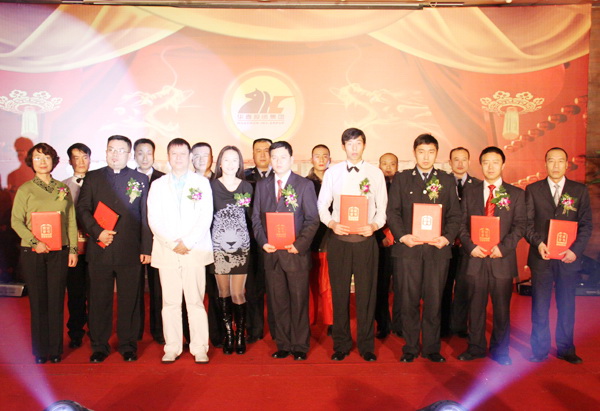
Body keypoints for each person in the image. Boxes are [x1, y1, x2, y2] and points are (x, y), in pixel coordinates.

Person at [76, 135, 152, 363]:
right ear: (106, 152)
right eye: (111, 150)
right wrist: (97, 231)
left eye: (120, 150)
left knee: (130, 300)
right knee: (99, 300)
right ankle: (99, 345)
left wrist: (146, 248)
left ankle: (128, 345)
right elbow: (82, 209)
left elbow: (146, 216)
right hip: (100, 248)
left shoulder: (140, 179)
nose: (115, 154)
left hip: (130, 250)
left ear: (129, 154)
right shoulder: (93, 178)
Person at [387, 134, 460, 363]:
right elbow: (393, 212)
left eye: (430, 152)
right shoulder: (402, 179)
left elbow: (455, 215)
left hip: (437, 251)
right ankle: (410, 347)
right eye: (421, 152)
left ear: (436, 154)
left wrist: (446, 238)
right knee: (407, 301)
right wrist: (402, 236)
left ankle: (431, 348)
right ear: (414, 153)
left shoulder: (446, 180)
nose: (426, 157)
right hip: (408, 251)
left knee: (434, 301)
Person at [318, 128, 387, 362]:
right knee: (339, 294)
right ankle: (341, 344)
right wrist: (332, 223)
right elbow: (322, 205)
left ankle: (367, 345)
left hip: (366, 242)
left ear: (364, 145)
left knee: (367, 294)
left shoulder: (375, 173)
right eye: (349, 144)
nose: (354, 148)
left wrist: (374, 226)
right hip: (339, 242)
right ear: (343, 146)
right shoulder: (332, 173)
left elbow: (382, 209)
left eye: (358, 143)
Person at [457, 146, 526, 366]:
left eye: (495, 162)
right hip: (475, 259)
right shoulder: (470, 192)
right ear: (480, 165)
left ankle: (500, 351)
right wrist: (470, 246)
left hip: (501, 260)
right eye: (486, 162)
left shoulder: (516, 194)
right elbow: (460, 224)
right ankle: (475, 347)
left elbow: (520, 226)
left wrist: (503, 248)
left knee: (502, 309)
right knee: (475, 307)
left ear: (503, 164)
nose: (490, 167)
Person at [147, 138, 213, 363]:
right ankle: (172, 346)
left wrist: (189, 241)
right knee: (170, 302)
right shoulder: (158, 185)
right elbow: (153, 218)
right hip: (167, 251)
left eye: (182, 154)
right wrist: (172, 243)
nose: (178, 158)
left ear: (189, 157)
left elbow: (205, 216)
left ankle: (199, 347)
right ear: (168, 157)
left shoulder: (201, 183)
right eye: (174, 154)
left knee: (195, 301)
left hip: (193, 250)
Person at [11, 143, 78, 363]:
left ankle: (55, 349)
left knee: (56, 299)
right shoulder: (25, 189)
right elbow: (16, 221)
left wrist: (73, 249)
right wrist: (35, 242)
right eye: (38, 158)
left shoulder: (62, 188)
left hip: (59, 251)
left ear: (54, 161)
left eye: (47, 157)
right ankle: (40, 351)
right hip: (33, 252)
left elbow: (70, 220)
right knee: (38, 301)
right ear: (31, 162)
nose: (42, 162)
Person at [252, 141, 319, 360]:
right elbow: (256, 218)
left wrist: (299, 244)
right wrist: (263, 242)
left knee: (299, 301)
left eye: (282, 157)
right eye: (274, 157)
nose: (278, 161)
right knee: (277, 301)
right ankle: (282, 343)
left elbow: (312, 219)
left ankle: (300, 345)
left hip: (295, 253)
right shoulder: (262, 185)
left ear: (291, 159)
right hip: (271, 254)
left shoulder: (304, 185)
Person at [526, 147, 592, 364]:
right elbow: (527, 224)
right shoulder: (533, 189)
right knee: (540, 306)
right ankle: (539, 349)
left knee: (566, 305)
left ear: (566, 164)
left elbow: (586, 225)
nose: (556, 165)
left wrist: (575, 250)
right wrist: (538, 243)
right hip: (541, 257)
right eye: (551, 161)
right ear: (545, 163)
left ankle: (566, 348)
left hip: (567, 258)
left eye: (560, 161)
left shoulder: (579, 190)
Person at [210, 146, 254, 355]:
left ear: (240, 163)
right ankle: (228, 334)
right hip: (218, 246)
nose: (230, 164)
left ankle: (240, 334)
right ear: (220, 163)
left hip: (241, 246)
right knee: (223, 292)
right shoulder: (211, 186)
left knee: (238, 292)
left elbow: (251, 216)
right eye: (226, 160)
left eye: (234, 160)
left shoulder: (247, 186)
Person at [441, 147, 481, 338]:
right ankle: (442, 326)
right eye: (455, 159)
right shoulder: (440, 182)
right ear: (450, 162)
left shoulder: (478, 185)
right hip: (445, 244)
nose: (460, 163)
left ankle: (459, 325)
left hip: (468, 245)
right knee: (444, 286)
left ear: (469, 162)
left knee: (464, 287)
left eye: (463, 159)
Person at [133, 138, 166, 344]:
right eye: (140, 153)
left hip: (158, 240)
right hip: (134, 242)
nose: (145, 157)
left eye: (148, 153)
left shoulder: (163, 179)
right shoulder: (128, 178)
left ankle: (159, 330)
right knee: (134, 289)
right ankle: (135, 331)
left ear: (154, 155)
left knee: (158, 288)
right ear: (134, 155)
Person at [244, 138, 276, 343]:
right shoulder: (243, 178)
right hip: (250, 241)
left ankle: (277, 330)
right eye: (258, 151)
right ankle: (254, 329)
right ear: (253, 154)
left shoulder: (281, 176)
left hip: (276, 240)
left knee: (275, 288)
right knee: (252, 288)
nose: (263, 154)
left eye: (266, 150)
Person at [192, 141, 222, 347]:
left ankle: (216, 334)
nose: (202, 159)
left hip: (217, 246)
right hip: (192, 245)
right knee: (192, 293)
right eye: (197, 155)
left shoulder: (221, 181)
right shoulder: (187, 182)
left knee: (216, 292)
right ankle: (191, 335)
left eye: (206, 155)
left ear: (212, 158)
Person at [62, 143, 92, 349]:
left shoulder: (100, 183)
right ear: (70, 161)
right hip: (73, 249)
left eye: (84, 157)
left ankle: (96, 329)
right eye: (76, 158)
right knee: (75, 293)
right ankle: (75, 332)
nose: (81, 162)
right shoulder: (61, 187)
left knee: (96, 292)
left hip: (96, 248)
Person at [306, 144, 334, 334]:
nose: (322, 159)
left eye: (325, 156)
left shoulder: (336, 181)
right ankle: (309, 319)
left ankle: (331, 321)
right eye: (318, 156)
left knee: (328, 283)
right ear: (311, 159)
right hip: (309, 239)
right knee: (308, 284)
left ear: (330, 159)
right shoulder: (304, 183)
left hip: (330, 237)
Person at [375, 153, 399, 340]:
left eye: (392, 164)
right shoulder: (373, 185)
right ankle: (382, 324)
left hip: (401, 242)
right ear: (379, 165)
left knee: (401, 286)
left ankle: (399, 324)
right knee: (380, 286)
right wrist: (381, 235)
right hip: (379, 242)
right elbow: (368, 212)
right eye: (385, 163)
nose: (388, 167)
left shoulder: (403, 185)